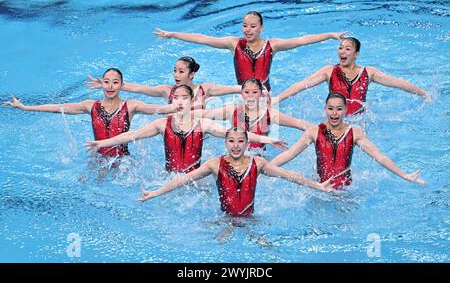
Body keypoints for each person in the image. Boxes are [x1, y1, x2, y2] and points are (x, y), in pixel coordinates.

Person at [85, 85, 288, 173]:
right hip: (169, 177)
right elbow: (132, 135)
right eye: (176, 99)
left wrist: (269, 140)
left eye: (184, 98)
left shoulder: (203, 124)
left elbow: (236, 135)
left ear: (192, 101)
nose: (180, 102)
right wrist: (102, 143)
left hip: (196, 179)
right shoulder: (162, 124)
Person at [139, 127, 335, 217]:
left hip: (251, 218)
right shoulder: (214, 164)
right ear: (225, 143)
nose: (236, 145)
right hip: (225, 219)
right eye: (231, 141)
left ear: (247, 144)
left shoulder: (258, 163)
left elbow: (290, 176)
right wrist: (156, 192)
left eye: (240, 141)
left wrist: (317, 186)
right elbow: (183, 180)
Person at [3, 68, 176, 157]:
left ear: (122, 85)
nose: (110, 86)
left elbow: (159, 110)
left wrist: (179, 107)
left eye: (115, 82)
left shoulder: (130, 106)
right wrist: (25, 107)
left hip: (123, 161)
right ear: (101, 84)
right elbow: (58, 107)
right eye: (106, 82)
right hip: (97, 158)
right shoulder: (90, 106)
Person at [154, 11, 346, 91]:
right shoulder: (233, 44)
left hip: (265, 94)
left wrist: (329, 35)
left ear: (261, 28)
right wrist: (173, 34)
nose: (248, 30)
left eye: (253, 26)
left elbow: (301, 40)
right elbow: (204, 39)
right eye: (245, 26)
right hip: (243, 93)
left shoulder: (273, 45)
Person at [270, 92, 426, 188]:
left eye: (339, 109)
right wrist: (264, 168)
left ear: (345, 110)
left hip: (346, 190)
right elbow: (289, 155)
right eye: (330, 108)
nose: (334, 113)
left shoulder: (355, 133)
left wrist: (404, 175)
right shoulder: (314, 131)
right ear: (325, 109)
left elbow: (379, 157)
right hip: (319, 188)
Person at [273, 37, 430, 116]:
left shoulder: (368, 73)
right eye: (340, 48)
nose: (342, 51)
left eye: (347, 49)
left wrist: (424, 93)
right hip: (334, 118)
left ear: (356, 54)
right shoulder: (329, 71)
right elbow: (301, 85)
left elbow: (398, 83)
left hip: (359, 120)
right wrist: (276, 99)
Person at [193, 78, 311, 155]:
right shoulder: (231, 111)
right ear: (241, 93)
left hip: (258, 160)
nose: (250, 96)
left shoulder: (270, 114)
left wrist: (321, 131)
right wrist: (180, 112)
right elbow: (204, 114)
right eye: (246, 92)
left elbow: (299, 124)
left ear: (260, 94)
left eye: (254, 92)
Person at [85, 56, 242, 109]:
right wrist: (110, 84)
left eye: (181, 71)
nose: (176, 75)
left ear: (192, 74)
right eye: (175, 70)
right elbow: (140, 89)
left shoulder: (205, 89)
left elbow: (233, 89)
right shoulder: (167, 91)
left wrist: (256, 89)